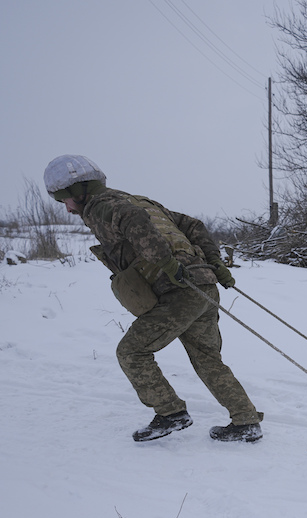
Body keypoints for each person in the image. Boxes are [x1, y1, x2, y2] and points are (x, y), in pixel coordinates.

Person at [43, 154, 263, 443]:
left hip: (178, 291)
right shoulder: (140, 200)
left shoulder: (100, 207)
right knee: (207, 358)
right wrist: (215, 264)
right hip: (203, 286)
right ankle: (246, 420)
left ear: (78, 192)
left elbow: (133, 221)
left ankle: (171, 413)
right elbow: (193, 225)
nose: (68, 208)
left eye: (65, 200)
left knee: (131, 352)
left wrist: (167, 264)